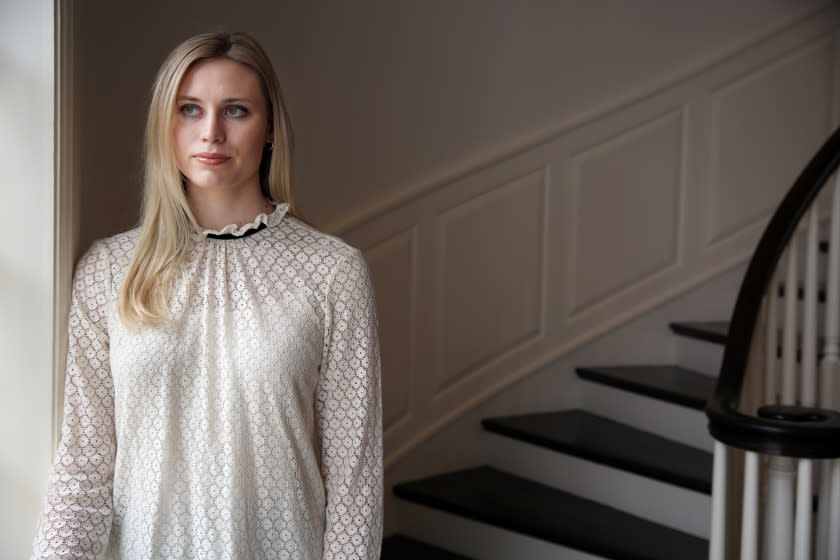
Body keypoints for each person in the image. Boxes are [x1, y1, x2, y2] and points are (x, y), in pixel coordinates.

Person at [31, 31, 383, 560]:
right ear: (165, 127)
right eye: (190, 110)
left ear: (269, 130)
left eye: (236, 111)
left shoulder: (332, 273)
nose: (211, 132)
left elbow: (355, 484)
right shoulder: (107, 271)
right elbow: (83, 469)